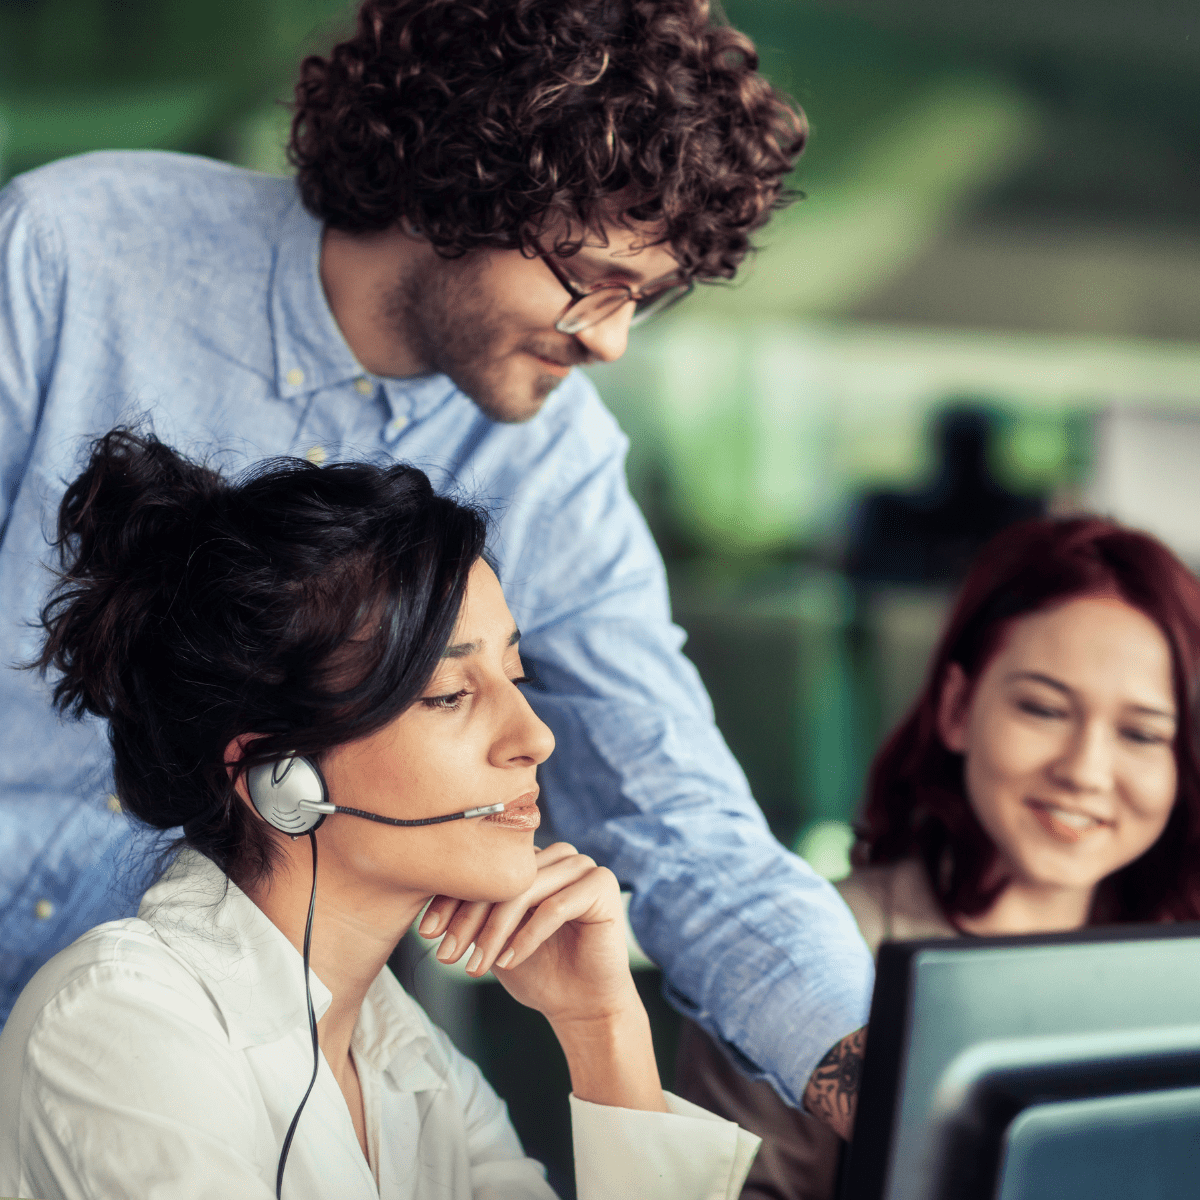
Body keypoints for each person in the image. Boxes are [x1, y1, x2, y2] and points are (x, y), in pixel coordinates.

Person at [0, 0, 873, 1135]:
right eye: (592, 279)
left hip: (188, 1094)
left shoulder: (552, 458)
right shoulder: (73, 254)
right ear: (458, 182)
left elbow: (672, 809)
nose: (610, 340)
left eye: (642, 303)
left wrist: (896, 1093)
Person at [0, 428, 761, 1200]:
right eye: (450, 696)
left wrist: (603, 1032)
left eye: (516, 675)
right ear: (278, 775)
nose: (536, 736)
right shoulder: (120, 1025)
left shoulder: (408, 1058)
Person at [676, 516, 1200, 1199]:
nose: (1086, 770)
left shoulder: (1177, 962)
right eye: (1043, 709)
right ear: (957, 708)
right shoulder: (802, 946)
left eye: (1140, 733)